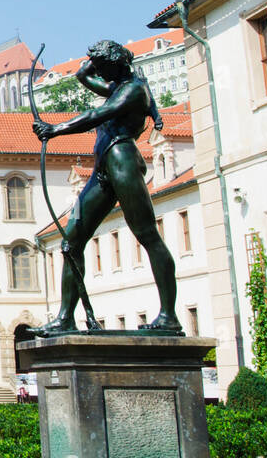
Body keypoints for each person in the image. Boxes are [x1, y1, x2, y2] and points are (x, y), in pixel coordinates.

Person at [31, 39, 179, 334]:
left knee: (147, 234)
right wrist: (93, 60)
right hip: (103, 168)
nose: (99, 70)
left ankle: (168, 316)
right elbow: (82, 76)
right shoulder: (116, 87)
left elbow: (94, 116)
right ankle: (65, 318)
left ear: (116, 65)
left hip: (122, 162)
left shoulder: (134, 91)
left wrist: (54, 129)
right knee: (71, 242)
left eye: (103, 66)